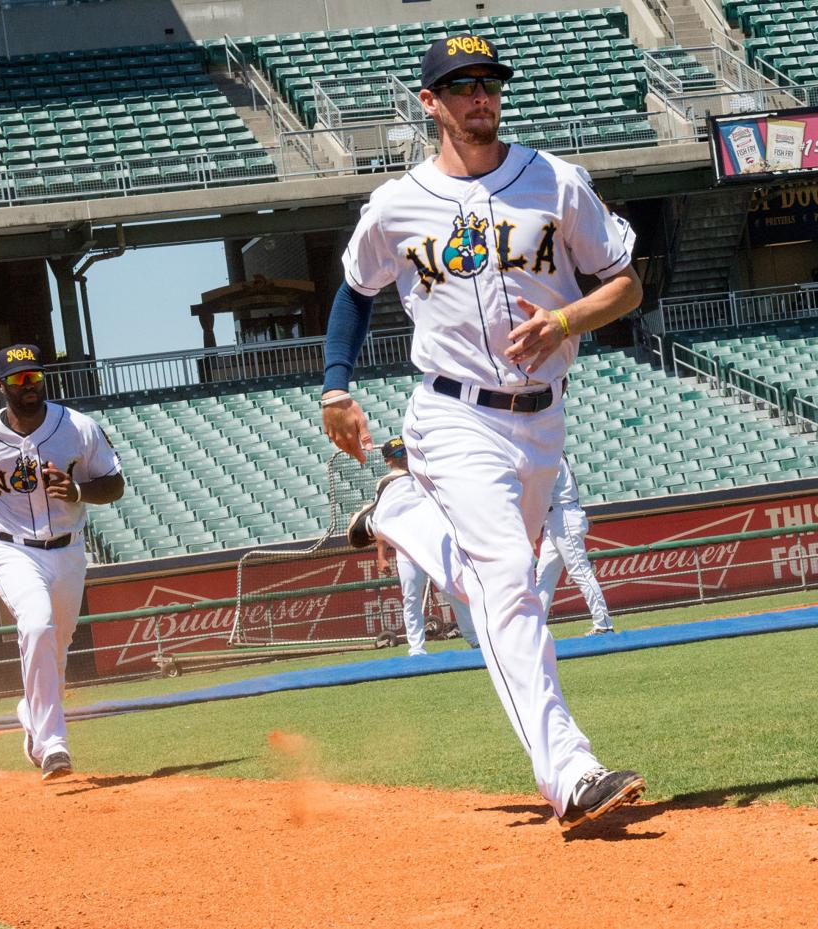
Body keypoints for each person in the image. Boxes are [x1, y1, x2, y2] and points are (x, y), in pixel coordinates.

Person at [322, 33, 645, 829]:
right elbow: (355, 290)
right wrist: (336, 387)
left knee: (492, 582)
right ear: (430, 103)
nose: (480, 96)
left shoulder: (555, 181)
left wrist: (567, 315)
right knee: (507, 580)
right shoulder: (398, 203)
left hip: (542, 416)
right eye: (461, 85)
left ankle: (398, 512)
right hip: (451, 411)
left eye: (489, 82)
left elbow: (627, 285)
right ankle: (570, 773)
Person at [0, 343, 124, 782]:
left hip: (69, 547)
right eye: (20, 379)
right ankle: (53, 743)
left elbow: (113, 483)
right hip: (9, 547)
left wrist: (79, 492)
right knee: (36, 625)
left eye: (35, 377)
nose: (30, 386)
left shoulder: (76, 426)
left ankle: (32, 714)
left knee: (56, 646)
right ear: (1, 385)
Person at [361, 438, 477, 655]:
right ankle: (416, 648)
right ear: (387, 460)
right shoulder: (386, 483)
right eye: (397, 454)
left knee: (452, 588)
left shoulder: (423, 474)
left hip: (434, 544)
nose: (403, 456)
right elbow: (384, 521)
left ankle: (474, 638)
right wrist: (381, 555)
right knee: (411, 597)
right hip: (407, 549)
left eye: (404, 451)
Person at [534, 458, 615, 636]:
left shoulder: (552, 458)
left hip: (563, 516)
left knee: (580, 571)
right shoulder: (547, 455)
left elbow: (541, 493)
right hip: (555, 519)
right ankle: (535, 629)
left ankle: (604, 623)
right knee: (543, 576)